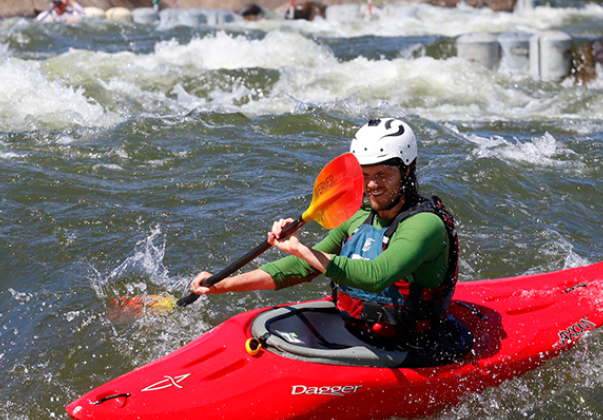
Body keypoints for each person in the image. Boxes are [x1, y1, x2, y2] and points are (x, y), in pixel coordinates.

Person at [188, 118, 468, 362]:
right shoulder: (359, 215)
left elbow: (376, 276)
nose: (372, 185)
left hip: (410, 348)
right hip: (355, 331)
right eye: (366, 175)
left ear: (407, 171)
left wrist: (303, 249)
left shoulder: (424, 225)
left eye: (382, 174)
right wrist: (223, 285)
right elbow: (302, 268)